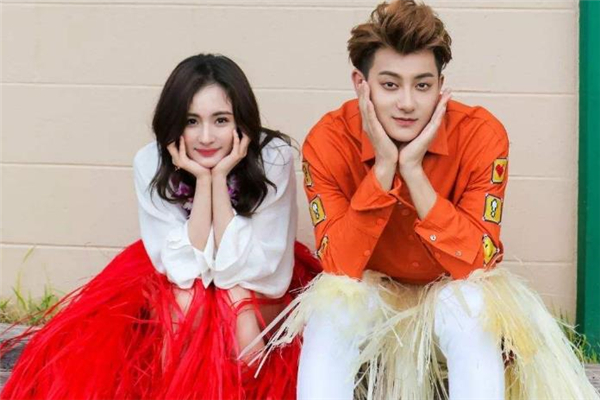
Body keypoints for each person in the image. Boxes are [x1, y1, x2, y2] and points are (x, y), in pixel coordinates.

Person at [259, 1, 600, 399]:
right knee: (331, 308)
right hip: (373, 291)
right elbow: (340, 266)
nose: (407, 103)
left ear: (440, 85)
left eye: (422, 85)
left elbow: (477, 262)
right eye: (390, 85)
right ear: (360, 84)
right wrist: (383, 168)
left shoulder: (481, 134)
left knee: (471, 304)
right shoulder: (329, 140)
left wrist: (414, 173)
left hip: (450, 289)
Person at [0, 53, 318, 400]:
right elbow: (183, 269)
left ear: (240, 121)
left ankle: (250, 391)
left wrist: (222, 177)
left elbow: (259, 269)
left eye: (221, 120)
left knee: (237, 308)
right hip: (180, 273)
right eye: (192, 121)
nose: (206, 137)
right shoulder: (150, 160)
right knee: (185, 304)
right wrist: (204, 181)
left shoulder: (272, 157)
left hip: (258, 278)